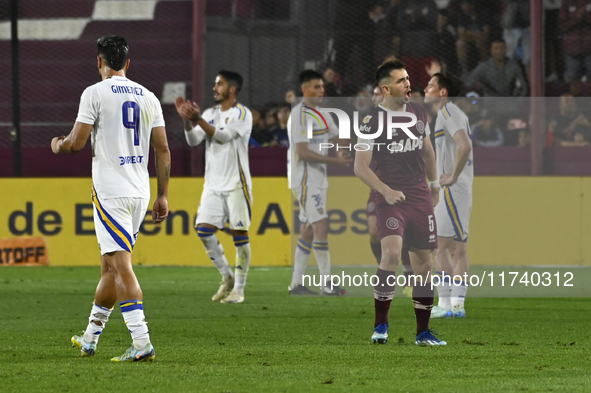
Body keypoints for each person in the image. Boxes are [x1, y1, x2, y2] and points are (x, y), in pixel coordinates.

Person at [51, 35, 170, 362]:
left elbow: (76, 142)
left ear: (99, 62)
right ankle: (90, 338)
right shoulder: (149, 97)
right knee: (109, 266)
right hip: (140, 192)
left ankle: (142, 342)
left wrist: (57, 144)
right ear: (127, 63)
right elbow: (162, 149)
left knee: (120, 266)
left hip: (111, 192)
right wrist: (163, 195)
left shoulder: (94, 93)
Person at [354, 60, 445, 346]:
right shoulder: (370, 121)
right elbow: (360, 166)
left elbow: (428, 151)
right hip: (391, 197)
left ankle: (423, 332)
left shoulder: (418, 112)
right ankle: (381, 325)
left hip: (419, 196)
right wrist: (384, 190)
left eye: (408, 79)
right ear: (385, 88)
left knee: (425, 266)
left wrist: (434, 185)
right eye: (401, 80)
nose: (408, 83)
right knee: (391, 255)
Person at [174, 70, 253, 304]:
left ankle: (239, 290)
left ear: (232, 89)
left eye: (220, 84)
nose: (214, 87)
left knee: (240, 236)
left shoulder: (242, 114)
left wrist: (196, 119)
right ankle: (226, 276)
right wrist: (188, 121)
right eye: (215, 83)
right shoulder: (208, 113)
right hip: (213, 184)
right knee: (204, 230)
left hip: (237, 184)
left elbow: (223, 137)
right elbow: (193, 140)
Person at [288, 70, 352, 295]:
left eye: (323, 87)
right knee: (321, 226)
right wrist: (335, 159)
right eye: (316, 87)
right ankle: (327, 284)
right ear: (304, 90)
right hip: (305, 180)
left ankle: (296, 284)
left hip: (318, 180)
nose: (321, 91)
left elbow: (338, 139)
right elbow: (303, 152)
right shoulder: (300, 115)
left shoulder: (323, 114)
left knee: (307, 231)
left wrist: (364, 138)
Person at [424, 72, 473, 318]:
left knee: (441, 246)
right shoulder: (450, 113)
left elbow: (464, 145)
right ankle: (455, 305)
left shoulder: (448, 112)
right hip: (457, 189)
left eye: (431, 85)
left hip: (453, 189)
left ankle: (447, 304)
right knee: (455, 247)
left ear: (442, 92)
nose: (426, 88)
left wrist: (452, 175)